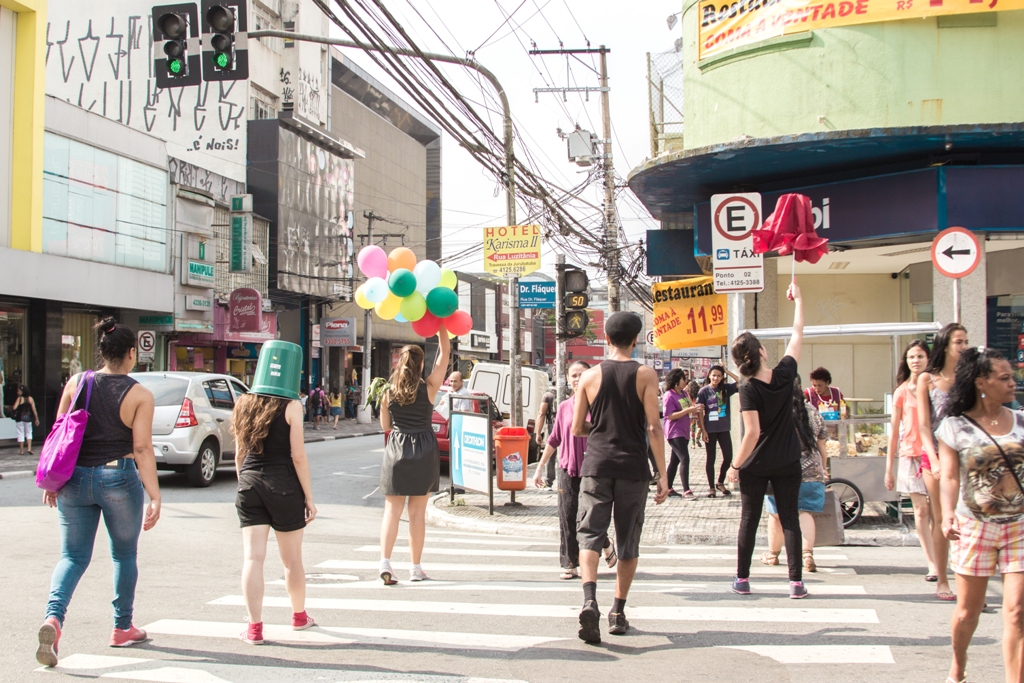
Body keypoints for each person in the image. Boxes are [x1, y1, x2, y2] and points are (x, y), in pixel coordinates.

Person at [36, 318, 161, 668]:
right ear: (132, 353)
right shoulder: (139, 394)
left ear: (102, 352)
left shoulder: (77, 382)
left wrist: (52, 481)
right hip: (118, 479)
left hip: (73, 479)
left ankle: (53, 618)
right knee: (124, 555)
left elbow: (58, 433)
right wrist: (155, 495)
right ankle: (122, 627)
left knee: (72, 557)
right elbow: (141, 448)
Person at [572, 312, 668, 643]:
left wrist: (598, 429)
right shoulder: (645, 375)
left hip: (596, 466)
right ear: (635, 340)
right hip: (633, 468)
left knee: (590, 535)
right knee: (628, 540)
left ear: (607, 340)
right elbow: (654, 427)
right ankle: (617, 611)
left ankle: (589, 600)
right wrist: (664, 475)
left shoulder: (589, 376)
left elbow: (576, 428)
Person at [936, 347, 1024, 683]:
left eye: (1012, 376)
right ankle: (958, 665)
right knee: (968, 612)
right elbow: (949, 476)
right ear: (981, 383)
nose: (1012, 382)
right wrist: (946, 515)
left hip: (1019, 527)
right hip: (974, 527)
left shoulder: (1022, 421)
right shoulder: (955, 427)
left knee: (1016, 612)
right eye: (1004, 378)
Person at [727, 282, 807, 599]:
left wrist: (734, 466)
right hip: (788, 460)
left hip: (756, 464)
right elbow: (798, 334)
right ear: (762, 352)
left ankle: (743, 579)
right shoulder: (786, 373)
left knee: (750, 519)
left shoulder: (748, 389)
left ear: (738, 363)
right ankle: (796, 583)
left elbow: (752, 434)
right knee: (790, 518)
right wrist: (799, 299)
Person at [233, 376, 318, 645]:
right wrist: (309, 497)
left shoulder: (244, 401)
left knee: (252, 559)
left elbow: (239, 453)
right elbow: (298, 456)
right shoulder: (292, 405)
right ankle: (299, 617)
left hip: (249, 483)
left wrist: (245, 483)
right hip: (283, 485)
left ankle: (254, 628)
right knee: (291, 561)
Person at [533, 361, 617, 579]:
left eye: (582, 374)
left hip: (594, 470)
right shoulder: (563, 407)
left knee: (590, 518)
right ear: (568, 379)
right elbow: (554, 439)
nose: (577, 379)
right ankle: (569, 564)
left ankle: (605, 543)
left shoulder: (600, 405)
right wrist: (540, 468)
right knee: (567, 515)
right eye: (573, 375)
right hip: (568, 469)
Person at [379, 329, 450, 584]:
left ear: (399, 363)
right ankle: (415, 568)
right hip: (423, 448)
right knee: (417, 513)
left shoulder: (387, 392)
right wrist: (441, 325)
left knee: (391, 511)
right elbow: (444, 354)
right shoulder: (430, 387)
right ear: (421, 364)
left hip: (397, 448)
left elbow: (385, 426)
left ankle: (385, 562)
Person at [885, 340, 947, 596]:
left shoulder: (937, 386)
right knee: (921, 511)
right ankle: (931, 562)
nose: (915, 361)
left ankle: (941, 560)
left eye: (920, 356)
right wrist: (889, 468)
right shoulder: (901, 391)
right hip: (911, 454)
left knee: (937, 512)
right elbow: (893, 432)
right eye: (911, 357)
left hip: (937, 454)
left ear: (928, 358)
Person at [918, 322, 969, 602]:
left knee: (967, 518)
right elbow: (924, 426)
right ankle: (943, 578)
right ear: (945, 345)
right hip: (935, 453)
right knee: (941, 518)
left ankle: (970, 580)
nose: (963, 347)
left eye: (965, 341)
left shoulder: (970, 376)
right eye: (958, 342)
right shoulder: (927, 379)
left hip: (965, 454)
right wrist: (934, 459)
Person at [761, 376, 829, 572]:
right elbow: (822, 443)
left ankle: (773, 555)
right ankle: (807, 555)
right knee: (804, 512)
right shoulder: (811, 410)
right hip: (811, 470)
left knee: (776, 515)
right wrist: (823, 468)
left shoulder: (774, 410)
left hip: (781, 468)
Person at [697, 365, 741, 497]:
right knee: (711, 458)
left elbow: (741, 382)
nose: (716, 378)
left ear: (722, 378)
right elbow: (700, 412)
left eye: (719, 376)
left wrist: (727, 371)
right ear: (709, 375)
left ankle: (720, 482)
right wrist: (703, 430)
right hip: (710, 429)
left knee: (728, 457)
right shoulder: (703, 391)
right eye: (713, 375)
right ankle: (711, 487)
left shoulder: (726, 389)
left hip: (724, 429)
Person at [662, 369, 702, 500]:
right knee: (685, 458)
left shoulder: (684, 393)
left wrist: (695, 409)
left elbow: (689, 409)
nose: (685, 381)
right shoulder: (669, 395)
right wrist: (688, 410)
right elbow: (670, 415)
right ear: (676, 380)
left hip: (684, 431)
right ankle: (687, 490)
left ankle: (667, 487)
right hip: (674, 431)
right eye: (683, 378)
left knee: (675, 460)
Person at [535, 387, 557, 489]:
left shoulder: (548, 395)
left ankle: (549, 482)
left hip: (552, 426)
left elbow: (541, 414)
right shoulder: (569, 392)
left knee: (550, 454)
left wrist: (538, 432)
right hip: (566, 426)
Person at [13, 384, 39, 455]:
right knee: (29, 432)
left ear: (22, 391)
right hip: (28, 418)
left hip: (20, 418)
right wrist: (36, 419)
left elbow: (14, 408)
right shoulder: (30, 399)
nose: (17, 392)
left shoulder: (19, 399)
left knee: (20, 433)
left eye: (18, 391)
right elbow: (34, 409)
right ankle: (29, 448)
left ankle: (21, 450)